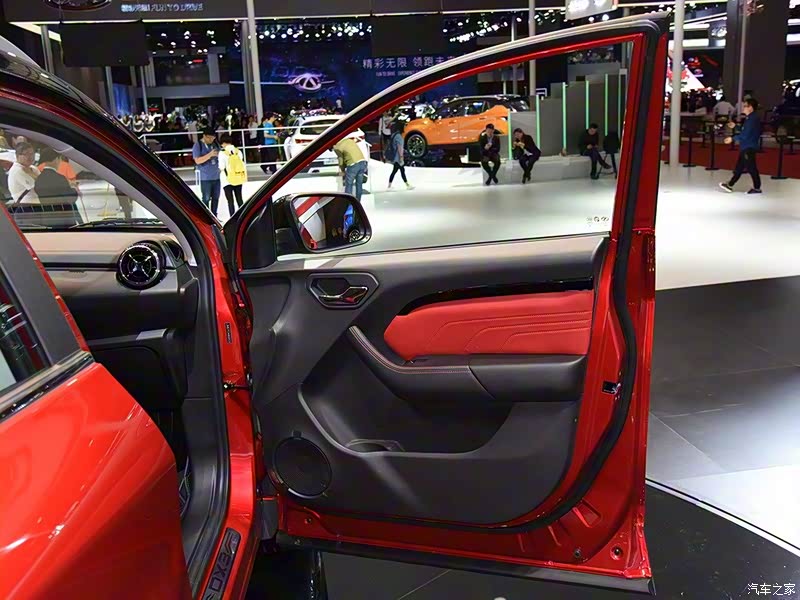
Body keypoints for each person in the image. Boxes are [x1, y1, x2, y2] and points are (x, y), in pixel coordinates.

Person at [720, 97, 762, 195]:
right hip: (746, 146)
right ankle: (730, 184)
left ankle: (757, 188)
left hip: (748, 147)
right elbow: (745, 130)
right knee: (739, 167)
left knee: (751, 168)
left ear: (750, 107)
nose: (743, 108)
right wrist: (735, 126)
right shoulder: (750, 118)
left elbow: (745, 134)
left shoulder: (752, 119)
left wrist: (732, 138)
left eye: (745, 106)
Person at [33, 147, 82, 226]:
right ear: (56, 159)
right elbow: (71, 198)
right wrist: (74, 189)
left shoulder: (38, 179)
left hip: (48, 220)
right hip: (64, 220)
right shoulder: (60, 178)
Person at [192, 127, 221, 216]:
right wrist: (210, 155)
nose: (211, 140)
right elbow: (197, 161)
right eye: (209, 138)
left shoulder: (215, 144)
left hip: (216, 176)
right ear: (204, 136)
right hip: (205, 178)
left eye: (213, 138)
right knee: (206, 199)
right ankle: (206, 216)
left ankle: (214, 216)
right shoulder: (198, 145)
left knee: (216, 198)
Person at [218, 133, 247, 217]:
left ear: (223, 143)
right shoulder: (238, 151)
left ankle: (232, 218)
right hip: (238, 177)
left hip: (227, 180)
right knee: (239, 199)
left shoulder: (222, 153)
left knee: (230, 201)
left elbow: (221, 167)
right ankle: (243, 216)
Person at [333, 137, 368, 201]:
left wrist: (343, 170)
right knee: (359, 184)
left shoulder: (337, 147)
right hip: (362, 161)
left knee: (349, 184)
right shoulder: (349, 140)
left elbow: (341, 161)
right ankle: (358, 202)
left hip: (353, 164)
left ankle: (348, 202)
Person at [387, 121, 412, 190]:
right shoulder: (399, 136)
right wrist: (401, 157)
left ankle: (390, 185)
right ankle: (407, 185)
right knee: (399, 171)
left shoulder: (394, 135)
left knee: (398, 170)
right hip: (397, 157)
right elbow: (399, 147)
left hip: (395, 157)